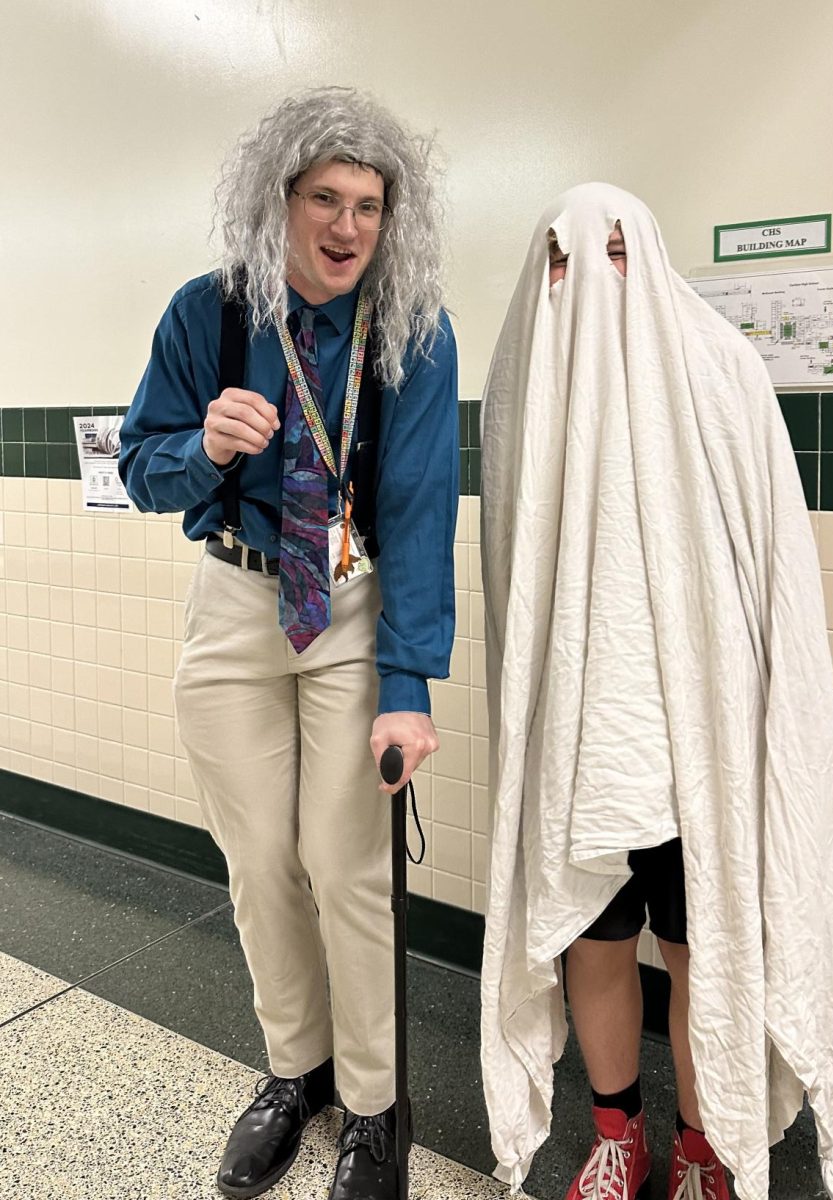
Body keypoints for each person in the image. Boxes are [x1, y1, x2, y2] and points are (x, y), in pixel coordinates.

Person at [479, 184, 833, 1200]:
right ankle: (620, 1135)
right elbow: (516, 583)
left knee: (703, 950)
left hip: (702, 742)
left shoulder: (719, 369)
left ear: (645, 257)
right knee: (590, 942)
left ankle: (706, 1143)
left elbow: (771, 564)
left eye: (612, 250)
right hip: (581, 741)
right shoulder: (528, 375)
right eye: (559, 259)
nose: (584, 279)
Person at [120, 87, 458, 1200]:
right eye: (326, 197)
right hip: (234, 600)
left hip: (352, 608)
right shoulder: (205, 314)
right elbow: (140, 466)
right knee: (260, 866)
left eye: (369, 204)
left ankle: (371, 1105)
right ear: (280, 201)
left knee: (348, 869)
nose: (349, 226)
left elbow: (414, 512)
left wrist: (405, 684)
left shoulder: (412, 329)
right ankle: (292, 1072)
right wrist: (202, 448)